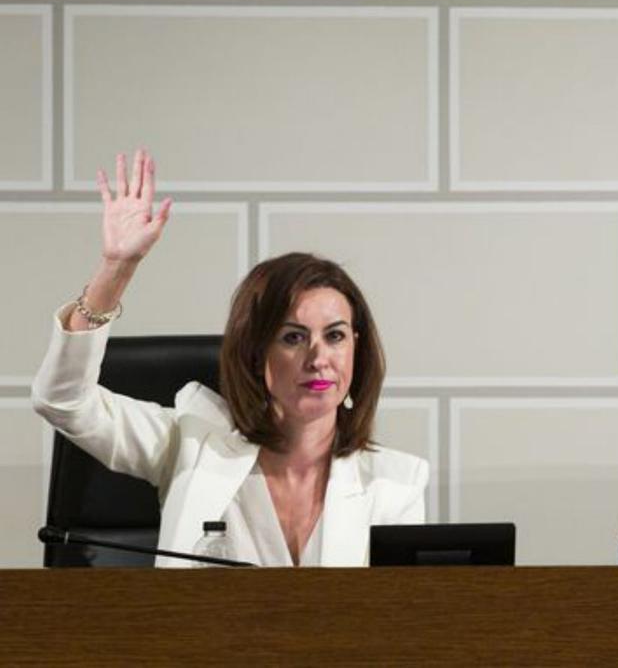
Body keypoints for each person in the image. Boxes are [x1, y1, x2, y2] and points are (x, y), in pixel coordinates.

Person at [32, 150, 428, 567]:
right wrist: (117, 268)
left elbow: (399, 621)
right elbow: (63, 400)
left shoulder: (395, 483)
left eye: (335, 336)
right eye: (293, 337)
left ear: (356, 349)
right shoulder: (190, 444)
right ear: (257, 353)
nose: (318, 357)